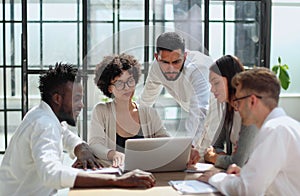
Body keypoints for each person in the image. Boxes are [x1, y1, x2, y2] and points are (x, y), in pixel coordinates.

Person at [0, 63, 155, 196]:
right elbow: (51, 174)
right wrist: (117, 180)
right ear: (57, 99)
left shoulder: (43, 115)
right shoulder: (44, 124)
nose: (81, 105)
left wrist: (81, 148)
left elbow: (67, 136)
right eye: (76, 98)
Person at [198, 68, 300, 195]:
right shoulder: (287, 126)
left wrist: (215, 178)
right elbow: (279, 180)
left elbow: (248, 190)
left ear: (252, 101)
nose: (236, 107)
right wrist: (245, 174)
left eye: (238, 101)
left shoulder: (275, 130)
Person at [89, 53, 200, 168]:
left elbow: (165, 141)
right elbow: (95, 144)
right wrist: (113, 154)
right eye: (119, 83)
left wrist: (185, 152)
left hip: (146, 173)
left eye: (130, 81)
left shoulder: (149, 113)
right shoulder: (101, 111)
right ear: (109, 88)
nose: (126, 87)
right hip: (112, 174)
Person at [139, 31, 214, 147]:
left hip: (216, 116)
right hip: (196, 117)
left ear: (185, 56)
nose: (171, 68)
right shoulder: (156, 67)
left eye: (176, 62)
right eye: (165, 62)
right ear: (156, 57)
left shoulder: (198, 68)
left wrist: (189, 147)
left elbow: (199, 109)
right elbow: (145, 101)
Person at [203, 55, 258, 169]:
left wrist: (215, 158)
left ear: (231, 80)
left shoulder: (250, 111)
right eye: (211, 84)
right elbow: (215, 146)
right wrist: (223, 158)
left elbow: (238, 162)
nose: (212, 90)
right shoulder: (230, 108)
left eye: (216, 83)